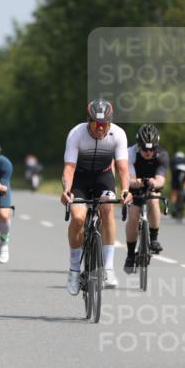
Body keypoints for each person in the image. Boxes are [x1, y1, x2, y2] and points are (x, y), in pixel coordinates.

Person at [60, 98, 133, 294]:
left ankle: (108, 267)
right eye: (95, 123)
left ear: (109, 123)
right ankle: (74, 270)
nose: (100, 128)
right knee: (77, 217)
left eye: (104, 124)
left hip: (103, 176)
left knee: (107, 206)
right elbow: (69, 168)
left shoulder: (118, 134)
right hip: (80, 178)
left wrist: (125, 189)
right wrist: (66, 189)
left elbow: (123, 168)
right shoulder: (76, 133)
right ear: (88, 121)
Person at [123, 124, 169, 273]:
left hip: (152, 185)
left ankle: (154, 238)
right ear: (138, 146)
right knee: (134, 215)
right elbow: (127, 178)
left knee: (153, 200)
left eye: (152, 149)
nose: (148, 152)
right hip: (134, 185)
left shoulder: (162, 154)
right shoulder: (130, 153)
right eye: (145, 149)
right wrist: (134, 182)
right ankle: (130, 255)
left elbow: (161, 179)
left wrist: (155, 182)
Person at [170, 151, 185, 218]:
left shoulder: (173, 160)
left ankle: (173, 206)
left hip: (176, 171)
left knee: (174, 190)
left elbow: (172, 170)